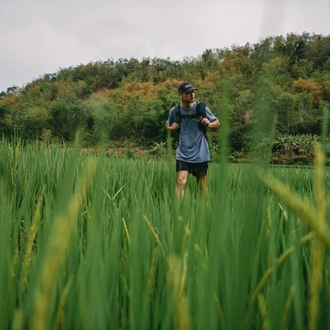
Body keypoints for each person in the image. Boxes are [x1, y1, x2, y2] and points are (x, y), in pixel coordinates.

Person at [166, 81, 220, 200]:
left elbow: (217, 121)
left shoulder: (201, 108)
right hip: (183, 152)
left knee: (201, 185)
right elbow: (168, 124)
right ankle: (178, 212)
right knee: (180, 181)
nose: (192, 95)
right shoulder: (174, 111)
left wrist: (209, 124)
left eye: (193, 92)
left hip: (200, 152)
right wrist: (170, 128)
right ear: (180, 94)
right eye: (188, 93)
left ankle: (206, 211)